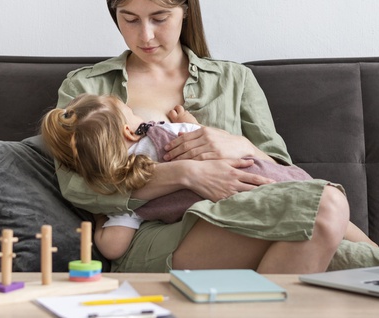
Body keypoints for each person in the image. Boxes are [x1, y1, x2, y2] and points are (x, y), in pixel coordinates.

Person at [54, 0, 379, 273]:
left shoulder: (234, 80)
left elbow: (280, 174)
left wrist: (240, 144)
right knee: (325, 210)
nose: (145, 35)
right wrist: (185, 173)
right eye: (129, 18)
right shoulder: (87, 87)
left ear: (186, 10)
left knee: (327, 227)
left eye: (159, 18)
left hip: (247, 215)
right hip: (153, 238)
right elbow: (76, 186)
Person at [41, 93, 321, 259]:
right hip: (258, 177)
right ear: (130, 130)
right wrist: (191, 124)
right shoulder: (163, 132)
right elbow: (206, 144)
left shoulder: (129, 184)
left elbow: (113, 247)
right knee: (319, 203)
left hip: (230, 212)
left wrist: (100, 215)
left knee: (316, 211)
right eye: (130, 112)